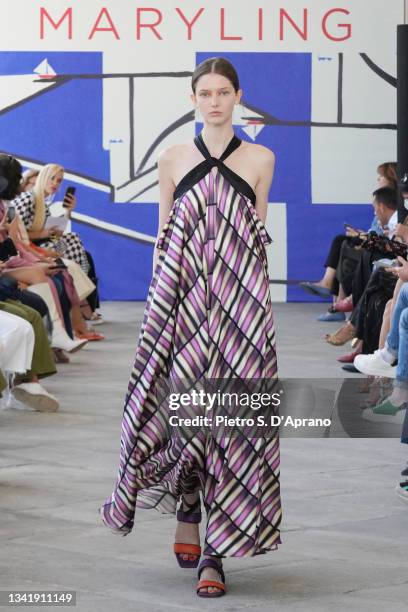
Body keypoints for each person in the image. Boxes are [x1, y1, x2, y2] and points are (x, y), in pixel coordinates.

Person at [100, 57, 282, 598]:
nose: (214, 101)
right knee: (181, 407)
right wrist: (161, 313)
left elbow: (256, 236)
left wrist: (249, 316)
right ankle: (188, 499)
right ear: (193, 98)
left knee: (234, 420)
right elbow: (164, 235)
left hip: (240, 307)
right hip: (180, 305)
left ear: (238, 97)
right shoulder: (173, 157)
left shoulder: (261, 158)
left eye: (223, 92)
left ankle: (214, 553)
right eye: (205, 92)